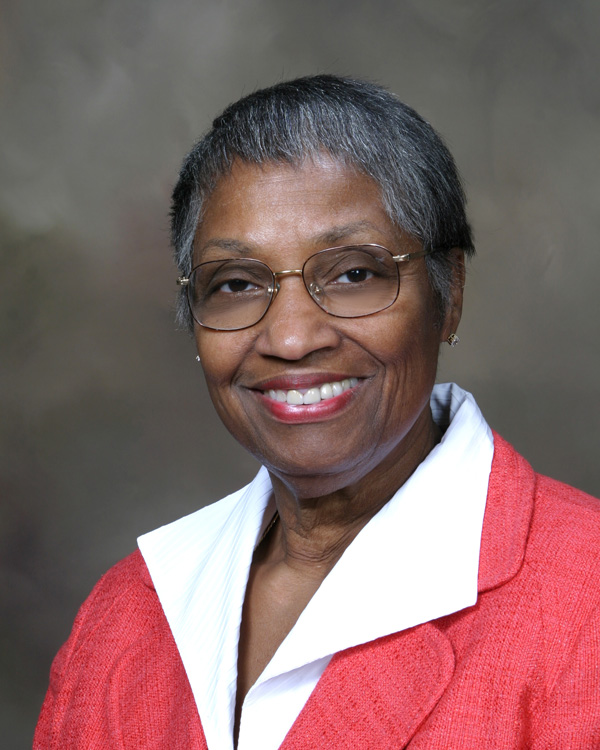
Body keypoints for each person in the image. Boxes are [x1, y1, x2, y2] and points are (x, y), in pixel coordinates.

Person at [35, 75, 600, 749]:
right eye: (237, 284)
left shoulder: (584, 598)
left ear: (449, 298)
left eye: (355, 272)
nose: (293, 337)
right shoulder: (124, 616)